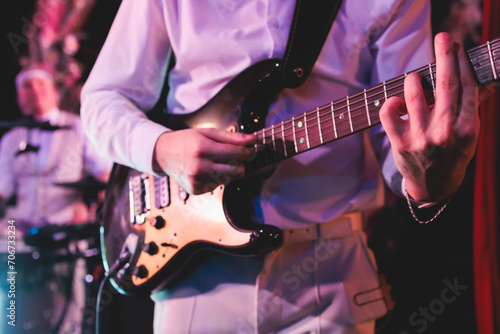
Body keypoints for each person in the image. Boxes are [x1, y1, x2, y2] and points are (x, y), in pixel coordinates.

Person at [80, 0, 480, 332]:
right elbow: (102, 100)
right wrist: (162, 149)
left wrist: (431, 178)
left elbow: (402, 147)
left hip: (331, 278)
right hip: (195, 274)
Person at [0, 65, 113, 333]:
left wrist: (92, 208)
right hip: (19, 231)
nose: (34, 92)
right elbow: (3, 190)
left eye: (40, 85)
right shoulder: (10, 138)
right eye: (26, 87)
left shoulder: (77, 127)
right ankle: (13, 321)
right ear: (19, 98)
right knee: (12, 301)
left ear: (54, 91)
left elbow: (105, 176)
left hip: (65, 228)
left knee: (68, 311)